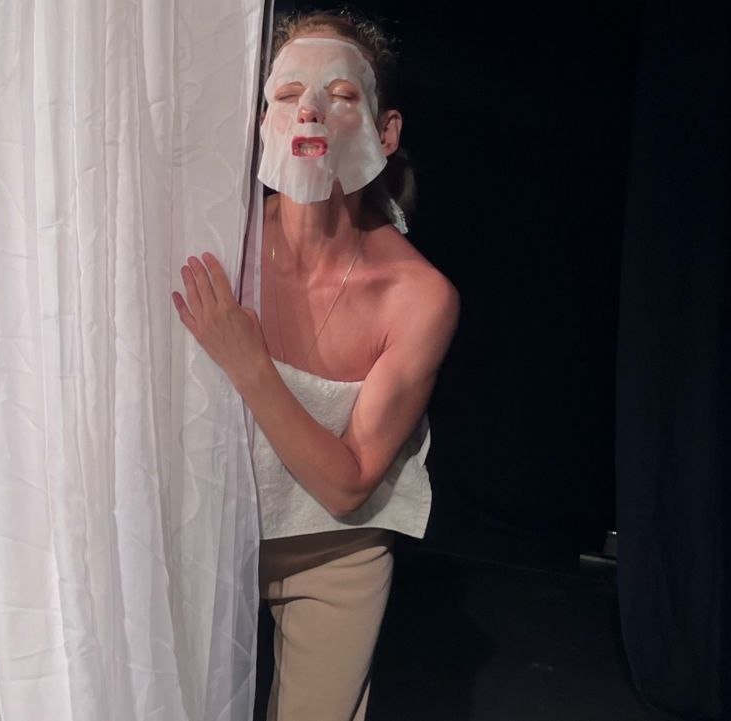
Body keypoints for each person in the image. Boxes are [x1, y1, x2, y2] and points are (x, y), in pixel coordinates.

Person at [172, 9, 458, 721]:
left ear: (385, 132)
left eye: (341, 93)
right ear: (262, 121)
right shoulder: (216, 240)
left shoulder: (418, 296)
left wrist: (250, 364)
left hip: (336, 552)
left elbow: (348, 484)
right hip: (209, 531)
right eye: (288, 93)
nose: (310, 110)